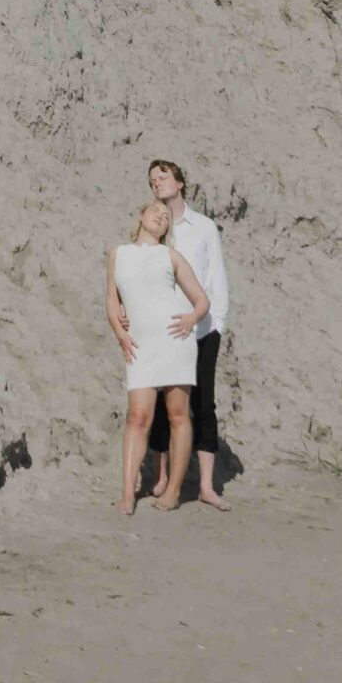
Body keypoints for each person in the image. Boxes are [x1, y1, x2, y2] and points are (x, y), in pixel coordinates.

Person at [105, 197, 209, 515]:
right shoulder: (118, 254)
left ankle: (174, 491)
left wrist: (190, 320)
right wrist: (121, 334)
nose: (160, 217)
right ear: (141, 216)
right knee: (137, 417)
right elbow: (111, 299)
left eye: (165, 216)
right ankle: (127, 493)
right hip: (140, 344)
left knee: (178, 416)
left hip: (174, 341)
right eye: (155, 211)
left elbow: (201, 301)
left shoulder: (170, 255)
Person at [145, 157, 231, 509]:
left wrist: (217, 325)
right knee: (164, 406)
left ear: (180, 183)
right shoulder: (155, 229)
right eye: (152, 180)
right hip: (166, 330)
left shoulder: (204, 227)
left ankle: (207, 487)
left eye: (163, 176)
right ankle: (162, 478)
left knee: (203, 404)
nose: (157, 182)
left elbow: (217, 277)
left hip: (203, 329)